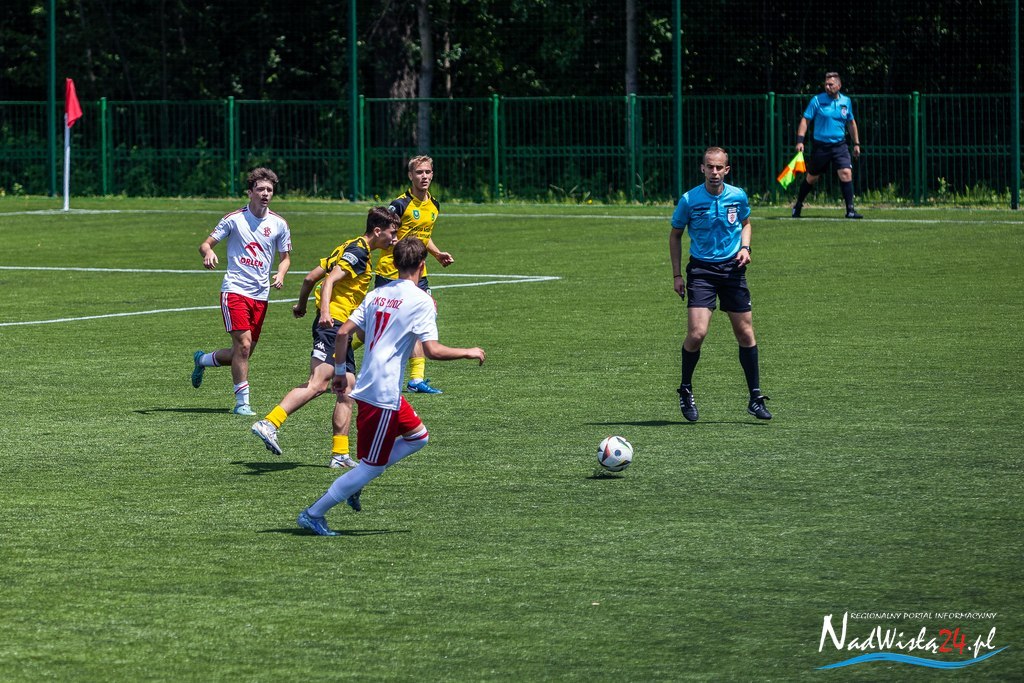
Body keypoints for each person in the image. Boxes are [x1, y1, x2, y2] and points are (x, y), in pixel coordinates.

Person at [297, 237, 485, 536]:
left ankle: (357, 481)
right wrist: (468, 351)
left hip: (375, 385)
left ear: (394, 263)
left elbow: (343, 333)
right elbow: (432, 351)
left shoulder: (377, 293)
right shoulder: (421, 301)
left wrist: (340, 372)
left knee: (418, 437)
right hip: (381, 393)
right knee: (371, 466)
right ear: (422, 265)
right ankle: (313, 513)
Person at [250, 207, 399, 468]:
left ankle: (339, 455)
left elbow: (310, 278)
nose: (394, 239)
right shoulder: (358, 253)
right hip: (334, 326)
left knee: (347, 390)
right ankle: (269, 423)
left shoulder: (349, 246)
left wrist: (302, 305)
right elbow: (328, 281)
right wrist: (326, 313)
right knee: (318, 383)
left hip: (339, 328)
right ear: (377, 231)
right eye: (392, 233)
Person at [668, 147, 772, 422]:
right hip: (701, 271)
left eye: (719, 168)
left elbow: (746, 223)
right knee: (697, 334)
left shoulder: (738, 196)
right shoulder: (689, 200)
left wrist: (745, 247)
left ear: (727, 169)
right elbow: (675, 235)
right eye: (709, 167)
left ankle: (755, 398)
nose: (714, 172)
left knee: (746, 334)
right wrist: (677, 276)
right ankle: (685, 389)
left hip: (732, 270)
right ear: (702, 168)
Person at [191, 167, 292, 416]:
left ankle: (202, 359)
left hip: (261, 295)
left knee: (243, 352)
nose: (265, 194)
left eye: (269, 190)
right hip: (235, 290)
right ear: (250, 192)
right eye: (260, 189)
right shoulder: (234, 219)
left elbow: (285, 258)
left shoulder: (279, 224)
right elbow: (205, 244)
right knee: (243, 346)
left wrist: (280, 274)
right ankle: (242, 403)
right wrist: (208, 252)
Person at [374, 155, 453, 395]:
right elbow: (381, 231)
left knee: (422, 319)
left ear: (432, 174)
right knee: (381, 325)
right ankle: (342, 348)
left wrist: (437, 254)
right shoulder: (399, 205)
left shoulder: (434, 205)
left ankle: (416, 379)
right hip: (391, 271)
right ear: (410, 176)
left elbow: (424, 236)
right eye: (419, 172)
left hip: (418, 272)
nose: (424, 176)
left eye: (428, 172)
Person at [791, 72, 863, 219]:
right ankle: (798, 204)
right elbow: (805, 120)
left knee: (846, 173)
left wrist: (856, 143)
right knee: (812, 178)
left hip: (840, 145)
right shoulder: (817, 100)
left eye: (831, 84)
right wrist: (800, 141)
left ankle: (850, 210)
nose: (827, 87)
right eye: (826, 84)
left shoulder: (846, 101)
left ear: (839, 85)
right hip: (821, 146)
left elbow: (851, 122)